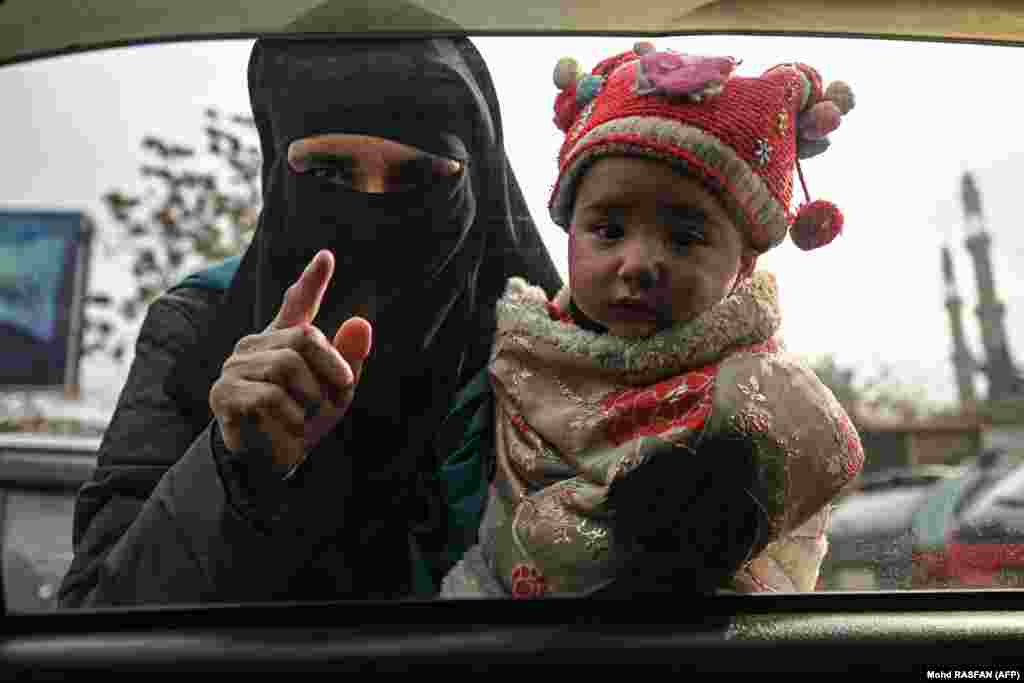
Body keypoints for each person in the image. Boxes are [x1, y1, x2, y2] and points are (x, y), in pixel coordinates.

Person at [57, 37, 561, 607]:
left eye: (417, 178)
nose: (372, 214)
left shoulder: (545, 352)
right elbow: (96, 611)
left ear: (476, 185)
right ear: (278, 174)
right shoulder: (199, 326)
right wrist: (232, 466)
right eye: (328, 172)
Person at [439, 43, 865, 598]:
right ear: (568, 234)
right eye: (609, 230)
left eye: (686, 238)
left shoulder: (764, 394)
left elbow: (820, 452)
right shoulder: (511, 361)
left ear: (745, 261)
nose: (638, 264)